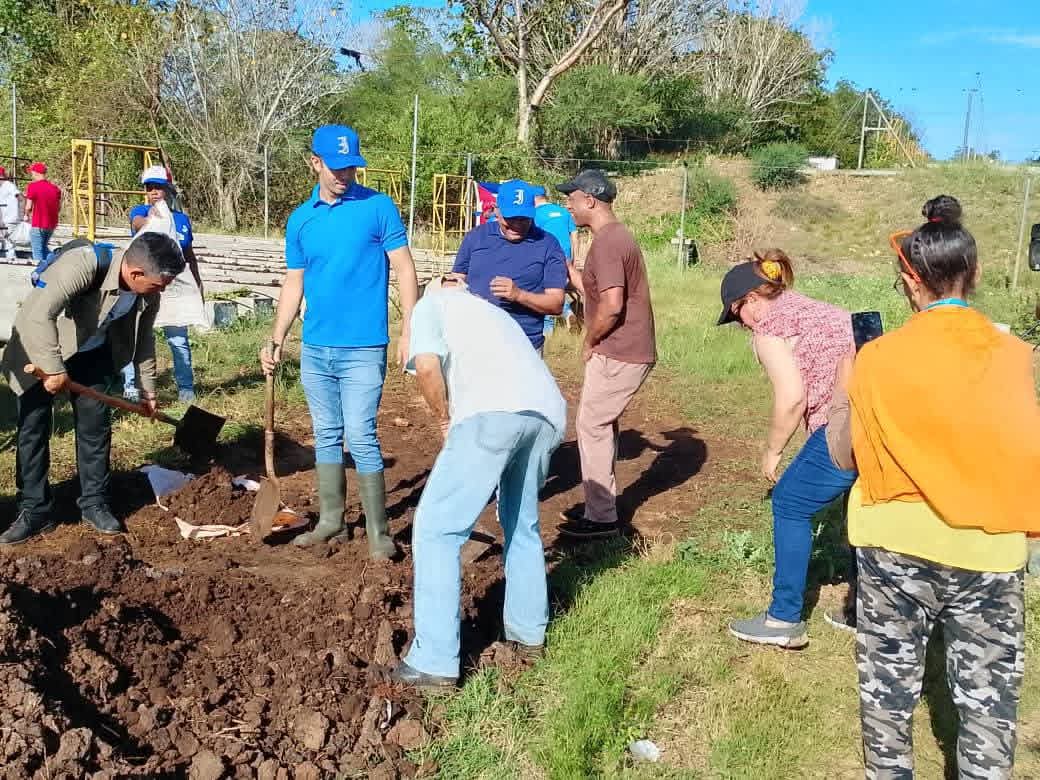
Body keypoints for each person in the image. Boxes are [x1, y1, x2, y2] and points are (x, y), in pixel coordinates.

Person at [847, 196, 1038, 779]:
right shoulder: (1015, 355)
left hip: (895, 543)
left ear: (910, 282)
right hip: (991, 546)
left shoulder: (876, 357)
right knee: (989, 701)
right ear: (974, 273)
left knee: (887, 691)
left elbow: (859, 452)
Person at [392, 274, 566, 689]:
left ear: (436, 287)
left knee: (437, 529)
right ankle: (527, 635)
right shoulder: (492, 312)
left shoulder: (431, 306)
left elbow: (428, 366)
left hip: (491, 415)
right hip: (547, 415)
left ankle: (434, 661)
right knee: (520, 523)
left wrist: (443, 420)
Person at [259, 124, 419, 556]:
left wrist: (409, 328)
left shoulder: (378, 207)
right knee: (326, 434)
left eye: (351, 167)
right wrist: (276, 339)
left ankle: (379, 532)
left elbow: (404, 268)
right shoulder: (301, 218)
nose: (344, 175)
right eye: (336, 167)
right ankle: (332, 521)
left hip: (365, 346)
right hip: (316, 348)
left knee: (361, 435)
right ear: (315, 162)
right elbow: (294, 284)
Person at [0, 232, 185, 545]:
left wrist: (147, 389)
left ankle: (94, 503)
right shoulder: (83, 265)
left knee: (95, 427)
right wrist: (55, 369)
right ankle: (34, 510)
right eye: (159, 283)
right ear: (136, 272)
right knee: (33, 427)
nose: (161, 290)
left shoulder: (148, 292)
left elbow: (144, 339)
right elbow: (37, 315)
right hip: (39, 347)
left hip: (93, 352)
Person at [717, 249, 856, 648]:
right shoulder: (818, 309)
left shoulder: (770, 329)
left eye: (737, 314)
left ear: (753, 301)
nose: (742, 325)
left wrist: (773, 450)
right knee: (860, 505)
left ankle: (783, 619)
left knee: (790, 502)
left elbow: (792, 397)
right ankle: (865, 608)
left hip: (848, 421)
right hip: (888, 418)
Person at [556, 169, 656, 540]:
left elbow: (612, 307)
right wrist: (569, 272)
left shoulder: (610, 242)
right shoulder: (613, 238)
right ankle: (602, 508)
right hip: (624, 350)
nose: (568, 205)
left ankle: (602, 519)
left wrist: (589, 340)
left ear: (589, 200)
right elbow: (598, 293)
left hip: (620, 351)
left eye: (571, 199)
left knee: (592, 425)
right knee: (601, 424)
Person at [451, 179, 566, 353]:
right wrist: (458, 293)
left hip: (524, 347)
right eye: (511, 219)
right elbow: (456, 281)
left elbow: (557, 304)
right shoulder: (476, 238)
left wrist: (519, 295)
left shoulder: (548, 244)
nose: (517, 225)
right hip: (473, 343)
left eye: (523, 219)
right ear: (497, 211)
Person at [122, 165, 203, 403]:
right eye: (149, 188)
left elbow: (188, 253)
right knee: (135, 335)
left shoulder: (181, 220)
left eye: (158, 187)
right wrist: (148, 220)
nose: (154, 192)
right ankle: (131, 386)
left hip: (173, 286)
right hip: (144, 283)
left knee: (178, 339)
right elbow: (137, 222)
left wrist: (197, 283)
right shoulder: (141, 212)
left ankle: (186, 388)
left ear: (168, 189)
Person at [532, 185, 579, 335]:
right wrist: (573, 257)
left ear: (534, 198)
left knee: (545, 289)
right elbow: (574, 235)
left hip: (546, 256)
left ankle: (549, 328)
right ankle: (568, 314)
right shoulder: (563, 212)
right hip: (565, 256)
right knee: (557, 288)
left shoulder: (535, 214)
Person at [23, 162, 61, 262]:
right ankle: (58, 261)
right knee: (44, 248)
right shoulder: (55, 189)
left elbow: (28, 206)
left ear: (35, 173)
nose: (31, 174)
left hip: (38, 224)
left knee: (38, 252)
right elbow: (58, 207)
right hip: (51, 225)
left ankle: (39, 273)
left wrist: (26, 215)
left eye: (32, 172)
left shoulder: (32, 186)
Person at [0, 166, 22, 259]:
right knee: (6, 241)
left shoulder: (8, 185)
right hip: (4, 219)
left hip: (9, 219)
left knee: (8, 241)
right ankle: (8, 259)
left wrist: (22, 214)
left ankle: (10, 259)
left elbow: (20, 197)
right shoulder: (2, 187)